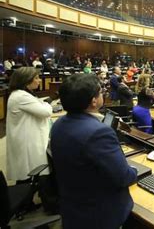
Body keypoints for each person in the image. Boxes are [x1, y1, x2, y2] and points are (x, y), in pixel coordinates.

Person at [51, 73, 137, 229]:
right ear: (94, 101)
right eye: (100, 92)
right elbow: (124, 177)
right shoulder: (99, 132)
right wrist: (134, 170)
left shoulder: (59, 123)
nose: (103, 94)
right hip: (99, 215)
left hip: (73, 208)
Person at [6, 67, 52, 182]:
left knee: (29, 168)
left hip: (27, 135)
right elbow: (45, 112)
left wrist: (44, 104)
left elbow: (39, 104)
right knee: (27, 169)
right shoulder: (21, 96)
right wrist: (47, 104)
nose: (39, 80)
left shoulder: (23, 94)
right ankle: (27, 196)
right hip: (26, 138)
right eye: (36, 78)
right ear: (26, 80)